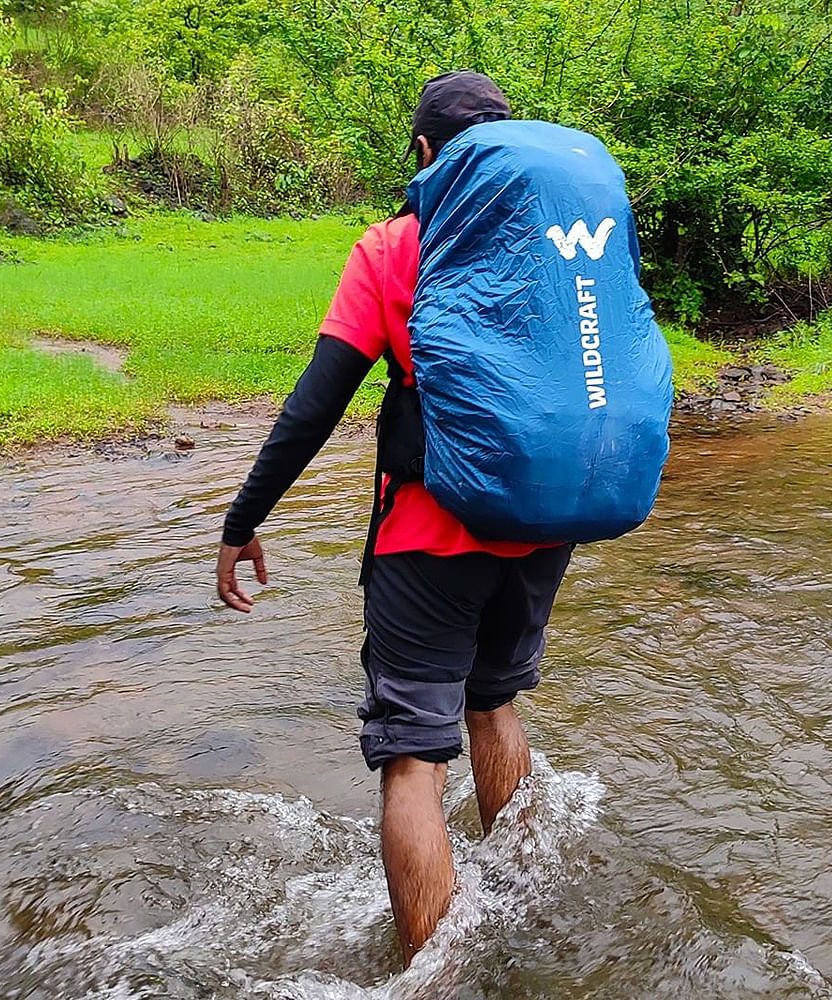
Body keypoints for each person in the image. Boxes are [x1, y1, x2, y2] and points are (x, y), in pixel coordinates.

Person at [216, 72, 575, 967]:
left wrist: (242, 519)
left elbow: (316, 405)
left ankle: (433, 977)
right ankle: (528, 906)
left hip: (428, 532)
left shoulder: (394, 246)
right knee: (494, 705)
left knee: (415, 759)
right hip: (544, 525)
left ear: (424, 153)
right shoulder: (566, 243)